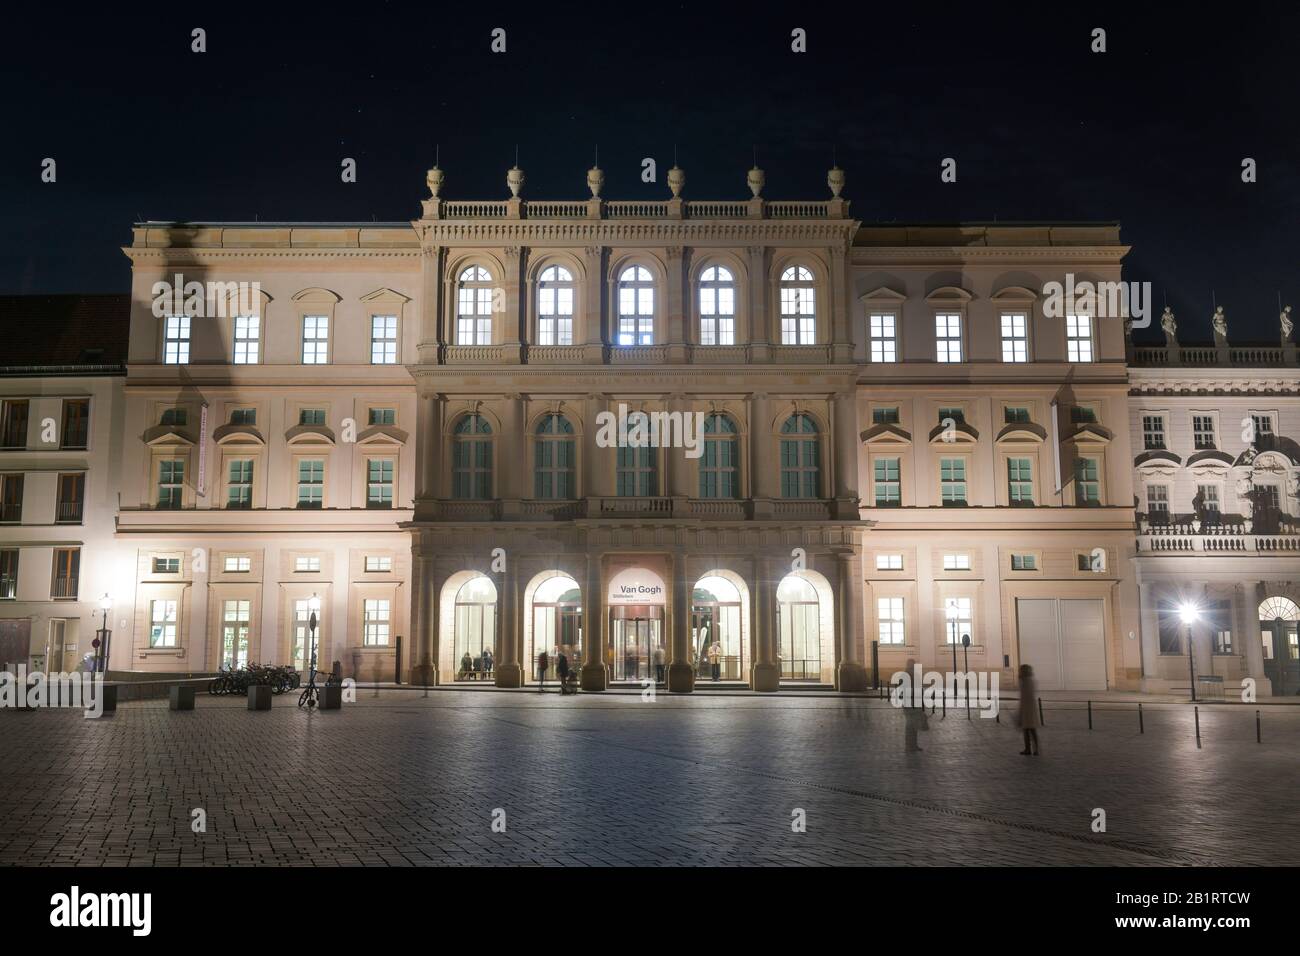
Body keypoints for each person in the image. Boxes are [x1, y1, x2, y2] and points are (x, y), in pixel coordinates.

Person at [1018, 664, 1041, 755]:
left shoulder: (1024, 682)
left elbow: (1024, 698)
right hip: (1031, 709)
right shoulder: (1031, 680)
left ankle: (1029, 749)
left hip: (1026, 709)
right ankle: (1035, 750)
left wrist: (1020, 713)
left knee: (1027, 731)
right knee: (1032, 730)